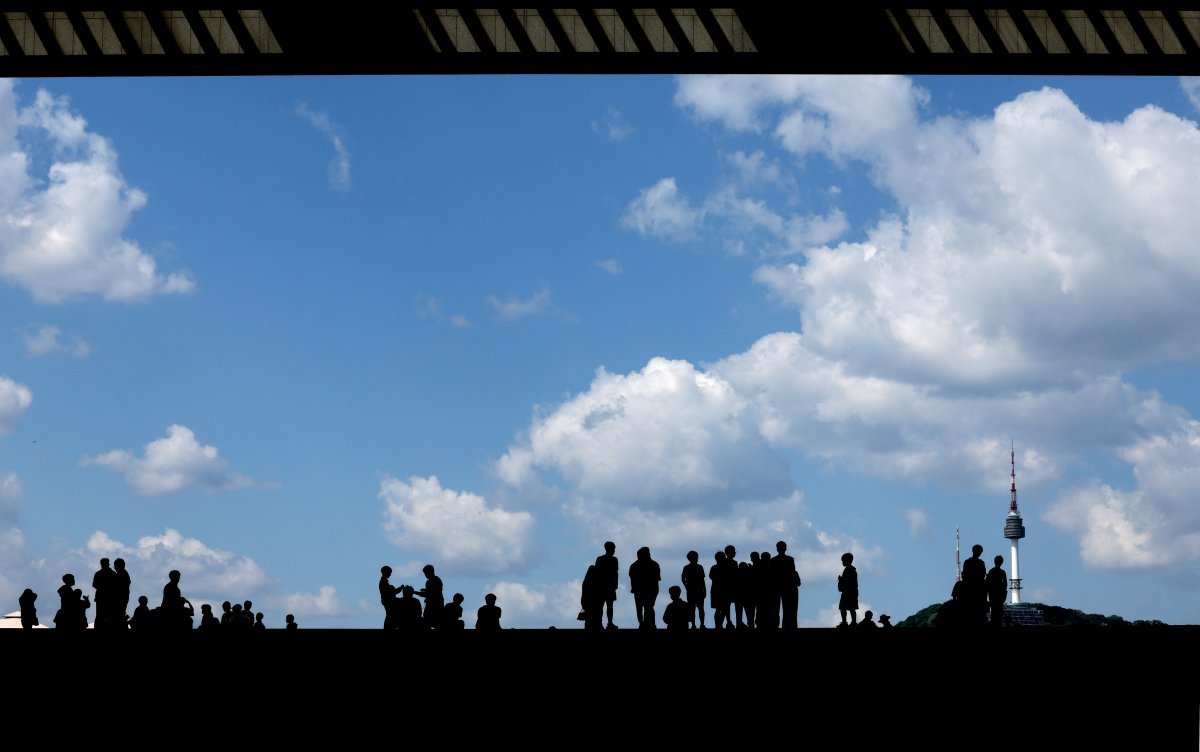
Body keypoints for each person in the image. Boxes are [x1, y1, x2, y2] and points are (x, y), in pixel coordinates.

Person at [628, 546, 661, 630]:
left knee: (641, 608)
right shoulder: (654, 564)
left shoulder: (634, 565)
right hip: (650, 590)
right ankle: (649, 624)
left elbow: (632, 579)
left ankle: (643, 624)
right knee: (648, 607)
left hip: (640, 590)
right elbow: (657, 579)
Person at [774, 541, 801, 629]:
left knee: (778, 608)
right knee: (788, 608)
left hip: (779, 586)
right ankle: (788, 625)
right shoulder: (789, 559)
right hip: (786, 586)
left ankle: (778, 624)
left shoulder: (774, 560)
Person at [961, 544, 987, 627]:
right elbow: (983, 575)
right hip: (978, 590)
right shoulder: (981, 563)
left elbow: (964, 575)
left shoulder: (967, 562)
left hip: (968, 589)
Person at [594, 541, 619, 630]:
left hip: (604, 586)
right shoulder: (613, 560)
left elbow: (615, 573)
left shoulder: (600, 559)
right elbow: (615, 573)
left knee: (603, 606)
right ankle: (606, 623)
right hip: (606, 586)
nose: (614, 550)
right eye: (613, 548)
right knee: (606, 606)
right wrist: (615, 584)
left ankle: (604, 623)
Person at [681, 550, 706, 629]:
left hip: (691, 590)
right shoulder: (699, 567)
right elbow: (702, 580)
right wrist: (704, 589)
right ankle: (700, 625)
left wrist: (686, 587)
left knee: (693, 608)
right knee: (700, 608)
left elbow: (682, 579)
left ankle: (694, 625)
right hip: (697, 590)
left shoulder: (687, 567)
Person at [417, 564, 445, 629]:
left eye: (426, 573)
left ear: (430, 572)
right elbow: (434, 591)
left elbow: (430, 594)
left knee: (427, 622)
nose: (425, 575)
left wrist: (417, 593)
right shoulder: (437, 580)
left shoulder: (429, 582)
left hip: (432, 606)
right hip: (438, 604)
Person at [91, 557, 116, 630]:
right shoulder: (113, 573)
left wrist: (101, 588)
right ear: (108, 564)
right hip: (110, 597)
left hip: (101, 597)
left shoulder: (98, 573)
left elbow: (94, 584)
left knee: (100, 615)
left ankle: (98, 629)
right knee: (109, 615)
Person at [986, 554, 1008, 628]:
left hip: (993, 594)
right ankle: (997, 624)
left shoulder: (991, 571)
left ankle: (994, 624)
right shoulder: (1002, 572)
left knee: (994, 610)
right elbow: (1005, 583)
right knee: (998, 611)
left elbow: (988, 582)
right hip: (999, 594)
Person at [580, 564, 605, 631]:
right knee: (597, 617)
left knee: (588, 619)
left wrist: (583, 603)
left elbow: (583, 593)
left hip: (587, 603)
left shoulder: (585, 582)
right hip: (595, 603)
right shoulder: (597, 583)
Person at [838, 552, 858, 627]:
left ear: (848, 560)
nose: (843, 562)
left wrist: (841, 580)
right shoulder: (849, 570)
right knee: (846, 607)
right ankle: (848, 622)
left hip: (849, 592)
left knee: (847, 608)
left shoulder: (851, 570)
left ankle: (850, 622)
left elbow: (849, 582)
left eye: (844, 560)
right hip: (850, 592)